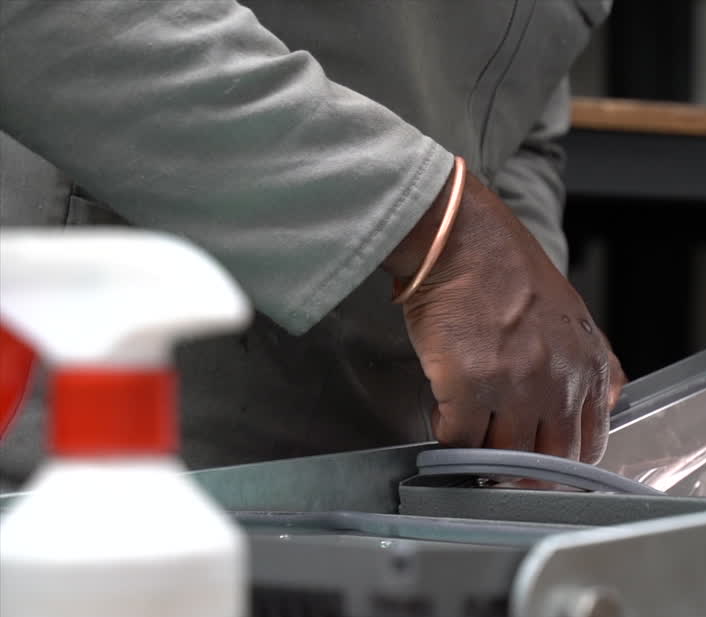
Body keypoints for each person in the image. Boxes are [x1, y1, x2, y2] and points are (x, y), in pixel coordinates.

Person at [0, 0, 622, 485]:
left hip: (398, 480)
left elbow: (520, 119)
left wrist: (525, 367)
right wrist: (437, 226)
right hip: (111, 434)